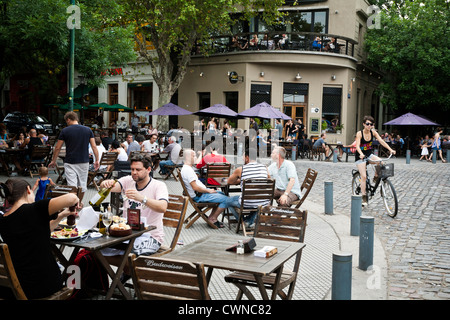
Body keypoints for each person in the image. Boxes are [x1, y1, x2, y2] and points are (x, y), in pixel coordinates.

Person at [0, 178, 79, 299]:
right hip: (43, 287)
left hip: (15, 288)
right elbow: (72, 198)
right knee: (75, 270)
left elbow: (40, 230)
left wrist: (62, 215)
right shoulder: (35, 209)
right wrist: (76, 200)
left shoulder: (4, 220)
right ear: (28, 190)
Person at [99, 153, 168, 272]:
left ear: (148, 169)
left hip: (151, 236)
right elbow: (109, 188)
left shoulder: (159, 185)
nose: (134, 172)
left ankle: (128, 273)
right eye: (132, 169)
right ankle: (128, 272)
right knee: (97, 250)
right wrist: (104, 184)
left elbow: (163, 207)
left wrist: (142, 198)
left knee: (130, 256)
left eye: (138, 169)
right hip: (127, 234)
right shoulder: (128, 180)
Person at [49, 111, 99, 195]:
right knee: (82, 186)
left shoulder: (65, 131)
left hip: (70, 161)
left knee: (72, 187)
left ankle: (73, 206)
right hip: (84, 161)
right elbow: (94, 147)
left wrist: (54, 160)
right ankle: (79, 204)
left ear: (68, 119)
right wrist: (97, 160)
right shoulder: (88, 130)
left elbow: (58, 147)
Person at [181, 149, 230, 228]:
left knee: (221, 194)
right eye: (194, 156)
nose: (195, 157)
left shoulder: (186, 168)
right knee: (227, 199)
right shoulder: (187, 170)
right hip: (199, 196)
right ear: (187, 157)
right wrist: (208, 190)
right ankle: (212, 218)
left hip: (200, 194)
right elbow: (195, 187)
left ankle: (212, 218)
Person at [355, 116, 396, 206]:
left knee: (381, 162)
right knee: (364, 177)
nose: (369, 126)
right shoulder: (360, 133)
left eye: (371, 124)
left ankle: (376, 177)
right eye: (367, 124)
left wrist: (390, 149)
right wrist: (361, 153)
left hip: (369, 155)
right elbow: (357, 145)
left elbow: (381, 141)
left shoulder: (373, 132)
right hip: (360, 157)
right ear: (363, 124)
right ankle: (364, 197)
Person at [226, 148, 270, 228]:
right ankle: (249, 220)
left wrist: (241, 180)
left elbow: (229, 181)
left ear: (247, 157)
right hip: (264, 202)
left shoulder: (241, 169)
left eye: (243, 156)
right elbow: (269, 180)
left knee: (226, 201)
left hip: (247, 202)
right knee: (256, 203)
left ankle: (243, 221)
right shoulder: (265, 167)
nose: (242, 158)